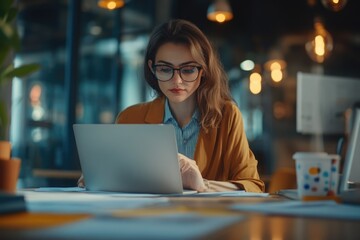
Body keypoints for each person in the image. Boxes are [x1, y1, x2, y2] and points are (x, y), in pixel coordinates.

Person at [78, 19, 264, 193]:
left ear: (203, 70)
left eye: (188, 69)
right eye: (165, 69)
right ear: (152, 68)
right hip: (148, 220)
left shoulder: (226, 115)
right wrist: (101, 179)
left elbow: (253, 186)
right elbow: (121, 182)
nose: (177, 80)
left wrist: (202, 185)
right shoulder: (129, 118)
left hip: (208, 222)